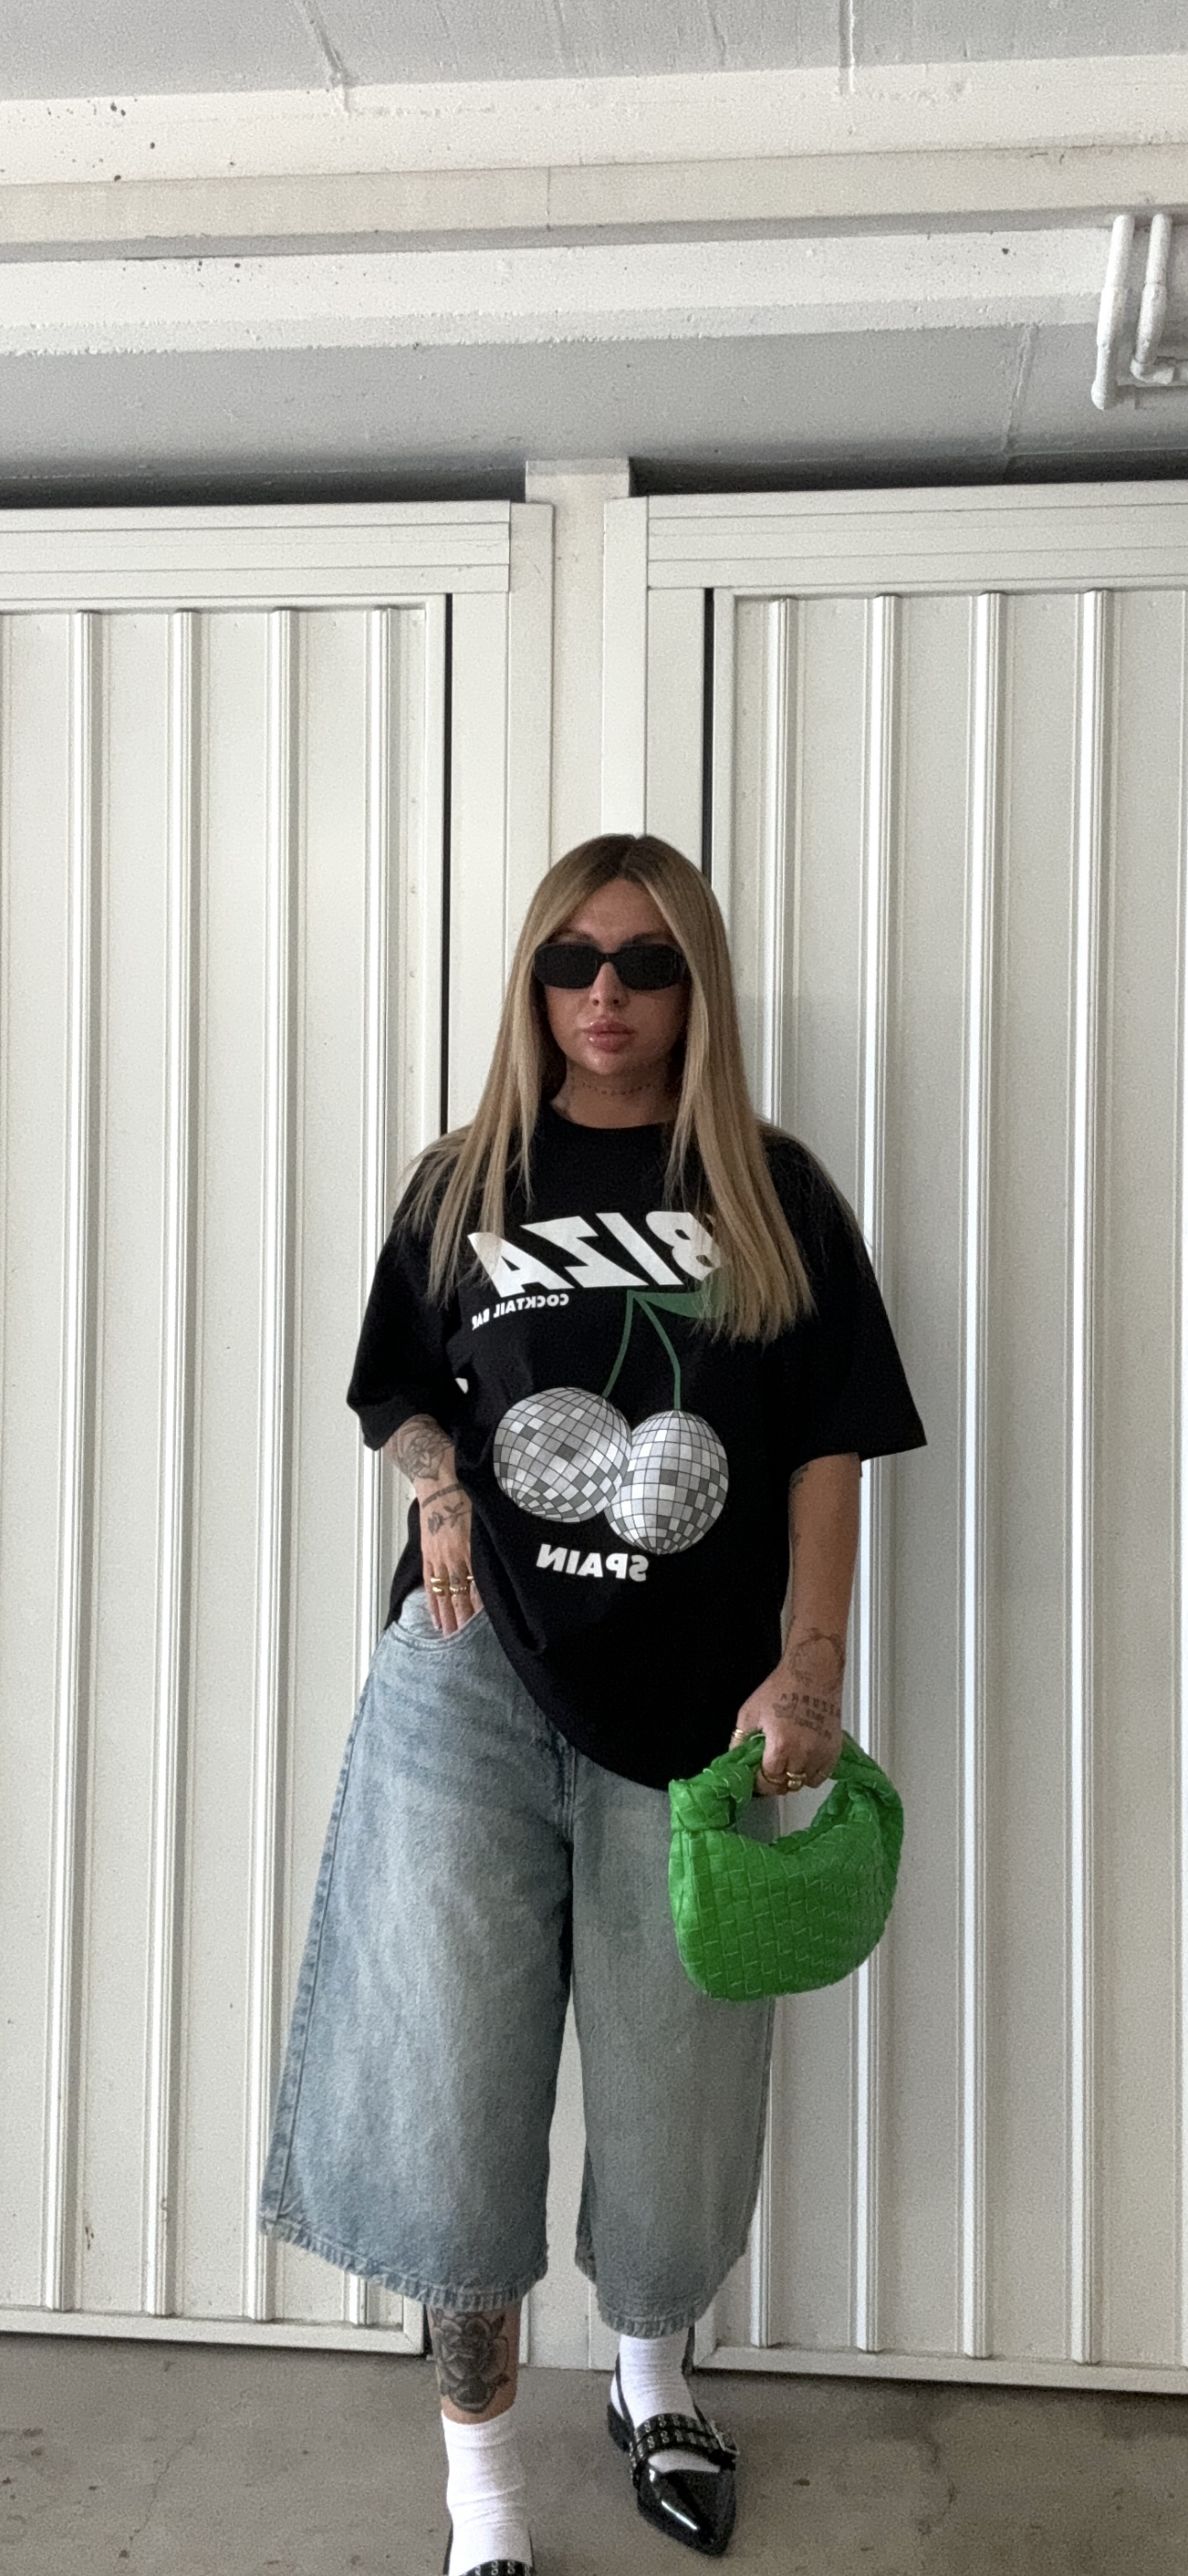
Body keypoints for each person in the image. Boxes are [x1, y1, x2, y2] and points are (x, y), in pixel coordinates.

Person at [259, 832, 925, 2574]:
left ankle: (649, 2380)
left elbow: (831, 1439)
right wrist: (436, 1485)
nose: (604, 994)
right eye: (570, 961)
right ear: (533, 983)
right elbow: (398, 1392)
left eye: (642, 962)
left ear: (695, 985)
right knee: (450, 2078)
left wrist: (811, 1661)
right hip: (469, 1680)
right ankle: (481, 2491)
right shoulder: (463, 1181)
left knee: (674, 2073)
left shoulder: (772, 1192)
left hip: (698, 1701)